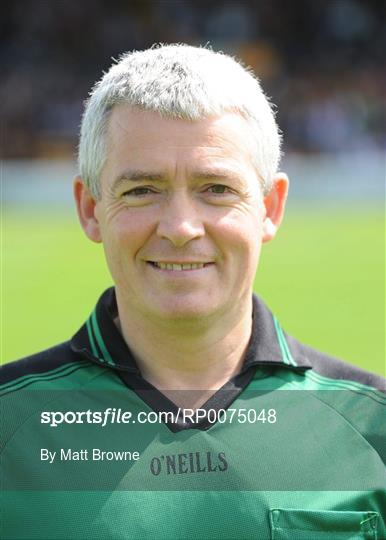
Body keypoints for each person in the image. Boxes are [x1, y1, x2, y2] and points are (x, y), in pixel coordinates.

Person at [1, 44, 385, 539]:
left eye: (216, 189)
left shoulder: (371, 426)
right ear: (91, 209)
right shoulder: (10, 427)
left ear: (270, 207)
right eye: (142, 190)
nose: (181, 227)